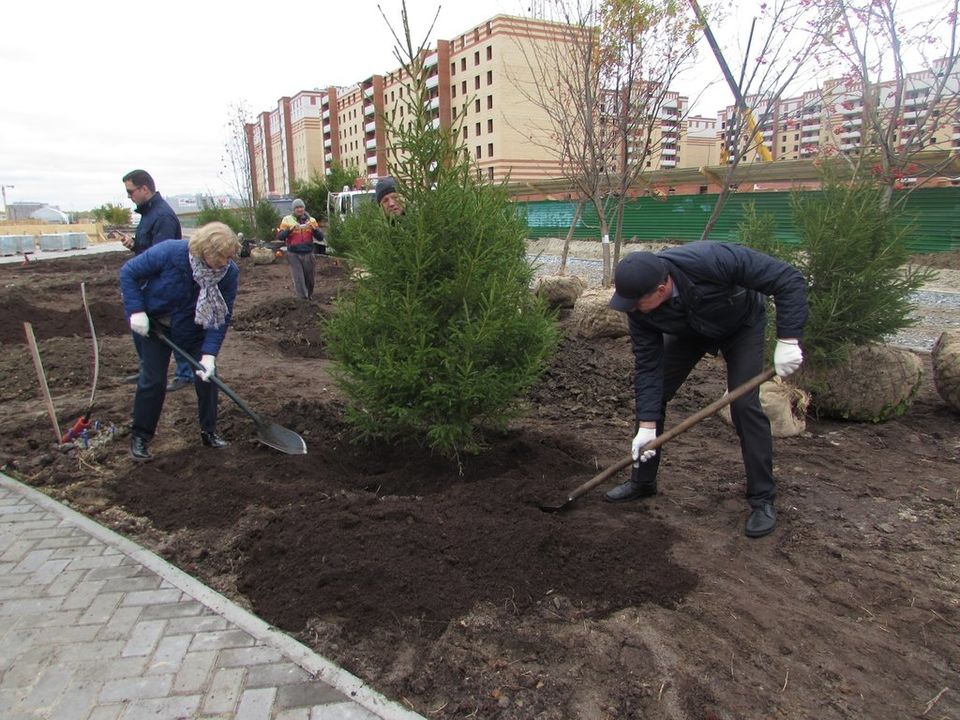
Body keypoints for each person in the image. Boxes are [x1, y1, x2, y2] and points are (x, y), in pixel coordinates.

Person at [605, 241, 808, 538]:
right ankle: (643, 482)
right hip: (690, 331)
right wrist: (646, 427)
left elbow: (788, 279)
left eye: (635, 303)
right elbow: (648, 368)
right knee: (655, 392)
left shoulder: (713, 260)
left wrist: (789, 339)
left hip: (741, 325)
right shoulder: (641, 311)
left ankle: (762, 500)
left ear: (660, 290)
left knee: (744, 406)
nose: (631, 309)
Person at [119, 222, 241, 462]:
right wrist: (136, 311)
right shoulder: (169, 253)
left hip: (193, 330)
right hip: (156, 327)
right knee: (153, 381)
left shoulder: (229, 273)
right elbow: (128, 273)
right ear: (206, 251)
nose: (226, 263)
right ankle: (141, 436)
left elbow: (221, 315)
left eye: (230, 257)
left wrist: (209, 355)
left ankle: (209, 432)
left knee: (208, 379)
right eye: (223, 257)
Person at [117, 169, 194, 393]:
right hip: (146, 282)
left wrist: (154, 288)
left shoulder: (162, 216)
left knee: (174, 328)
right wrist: (134, 245)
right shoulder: (149, 215)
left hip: (162, 285)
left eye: (131, 191)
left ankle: (185, 373)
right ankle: (148, 369)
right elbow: (149, 251)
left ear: (144, 188)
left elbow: (163, 256)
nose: (129, 196)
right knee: (143, 331)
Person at [277, 199, 325, 299]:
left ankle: (309, 296)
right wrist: (289, 230)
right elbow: (280, 236)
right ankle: (302, 300)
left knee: (310, 279)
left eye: (301, 207)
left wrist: (314, 229)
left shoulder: (311, 221)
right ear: (293, 209)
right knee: (299, 279)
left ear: (304, 208)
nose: (299, 209)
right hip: (293, 254)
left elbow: (321, 237)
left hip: (308, 253)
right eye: (297, 208)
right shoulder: (287, 220)